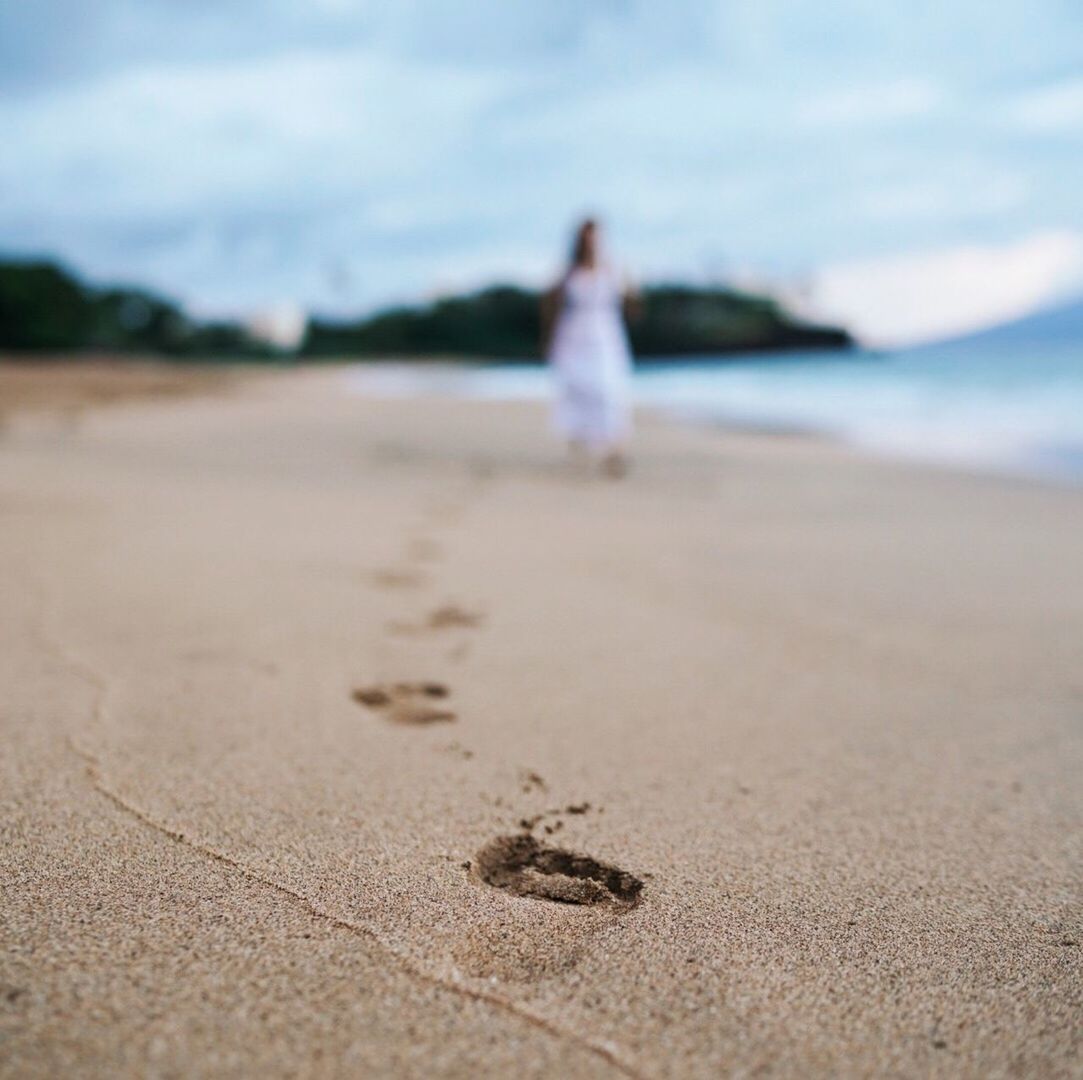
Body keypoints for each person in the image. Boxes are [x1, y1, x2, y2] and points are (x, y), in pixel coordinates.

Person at [541, 218, 637, 477]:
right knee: (578, 389)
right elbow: (552, 306)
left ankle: (615, 448)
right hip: (575, 336)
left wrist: (631, 288)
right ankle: (583, 443)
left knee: (610, 390)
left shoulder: (612, 269)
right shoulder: (569, 272)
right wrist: (549, 340)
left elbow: (633, 307)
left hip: (606, 336)